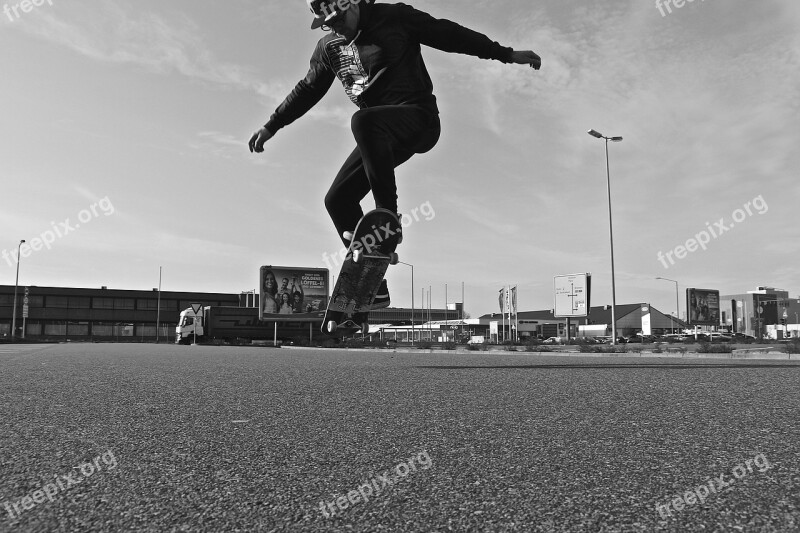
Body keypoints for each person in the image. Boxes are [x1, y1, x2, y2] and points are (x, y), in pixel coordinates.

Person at [249, 0, 541, 307]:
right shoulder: (329, 48)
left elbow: (449, 34)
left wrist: (505, 54)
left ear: (353, 4)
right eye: (328, 25)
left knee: (364, 120)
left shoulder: (394, 17)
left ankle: (387, 218)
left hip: (418, 119)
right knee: (337, 199)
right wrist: (273, 125)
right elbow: (307, 89)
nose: (336, 28)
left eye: (339, 19)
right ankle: (374, 285)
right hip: (379, 136)